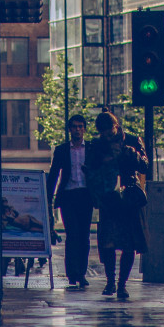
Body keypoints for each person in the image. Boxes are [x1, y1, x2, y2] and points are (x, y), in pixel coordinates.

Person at [88, 110, 150, 296]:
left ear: (116, 126)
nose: (106, 136)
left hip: (129, 196)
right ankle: (110, 281)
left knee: (129, 244)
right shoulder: (97, 145)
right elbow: (89, 169)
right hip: (108, 197)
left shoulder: (131, 140)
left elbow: (145, 165)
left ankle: (122, 284)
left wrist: (132, 155)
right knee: (107, 243)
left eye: (109, 131)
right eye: (102, 133)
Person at [46, 114, 94, 290]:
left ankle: (81, 273)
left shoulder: (90, 148)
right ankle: (72, 273)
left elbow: (98, 171)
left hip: (85, 196)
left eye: (81, 126)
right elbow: (53, 175)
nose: (78, 130)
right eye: (74, 126)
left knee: (84, 236)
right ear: (69, 129)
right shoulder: (61, 150)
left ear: (84, 129)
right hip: (68, 196)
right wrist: (47, 198)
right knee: (72, 235)